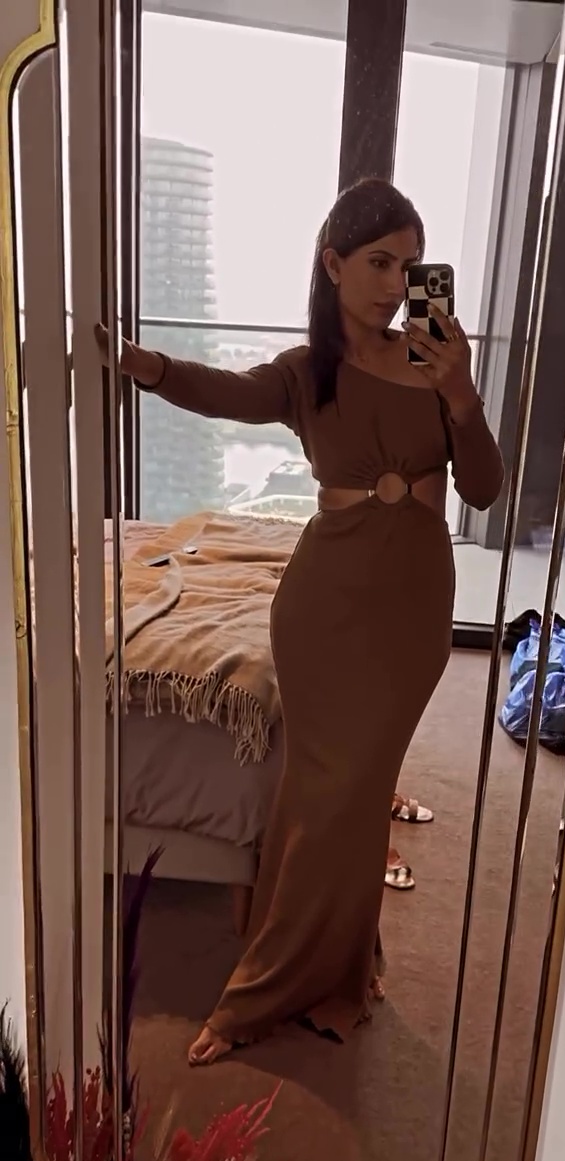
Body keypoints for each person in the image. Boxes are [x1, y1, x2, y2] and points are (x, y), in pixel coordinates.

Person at [97, 177, 503, 1065]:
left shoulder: (434, 362)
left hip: (413, 609)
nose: (395, 284)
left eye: (409, 265)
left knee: (352, 795)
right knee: (323, 795)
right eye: (378, 262)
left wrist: (462, 393)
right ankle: (266, 989)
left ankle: (331, 967)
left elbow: (482, 488)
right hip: (323, 606)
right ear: (332, 264)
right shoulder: (304, 371)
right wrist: (144, 366)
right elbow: (225, 393)